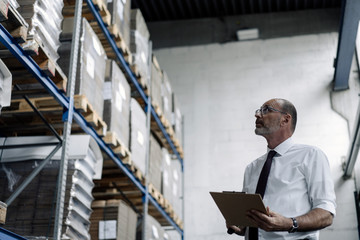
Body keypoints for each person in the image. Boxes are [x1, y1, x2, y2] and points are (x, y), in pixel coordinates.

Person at [227, 98, 336, 240]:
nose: (257, 115)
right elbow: (252, 223)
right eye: (258, 110)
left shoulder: (311, 155)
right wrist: (242, 226)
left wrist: (289, 223)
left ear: (285, 119)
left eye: (266, 110)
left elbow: (326, 214)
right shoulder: (252, 168)